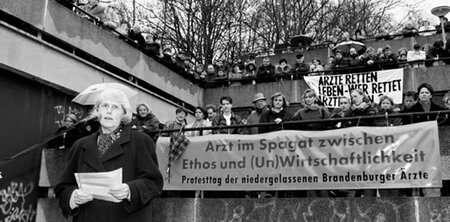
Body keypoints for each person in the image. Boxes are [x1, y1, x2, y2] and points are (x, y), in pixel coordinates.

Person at [55, 88, 163, 222]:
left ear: (124, 114)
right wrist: (73, 197)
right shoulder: (80, 145)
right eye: (105, 106)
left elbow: (153, 182)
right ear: (97, 111)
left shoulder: (141, 141)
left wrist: (129, 190)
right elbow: (63, 187)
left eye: (115, 107)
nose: (109, 111)